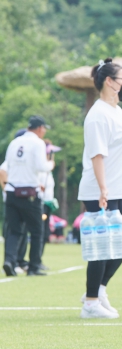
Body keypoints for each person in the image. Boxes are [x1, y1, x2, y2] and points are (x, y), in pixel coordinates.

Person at [77, 58, 122, 319]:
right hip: (100, 190)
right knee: (102, 246)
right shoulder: (98, 115)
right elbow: (97, 155)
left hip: (117, 190)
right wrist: (103, 190)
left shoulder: (116, 110)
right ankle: (90, 302)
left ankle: (99, 289)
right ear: (110, 82)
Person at [2, 116, 54, 276]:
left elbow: (8, 166)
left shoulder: (14, 142)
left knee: (14, 230)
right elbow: (41, 166)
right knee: (37, 231)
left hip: (11, 192)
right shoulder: (37, 143)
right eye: (44, 128)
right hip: (29, 193)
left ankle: (9, 261)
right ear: (39, 128)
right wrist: (50, 164)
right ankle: (33, 266)